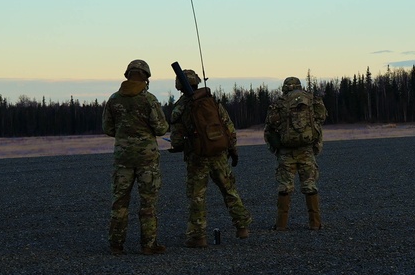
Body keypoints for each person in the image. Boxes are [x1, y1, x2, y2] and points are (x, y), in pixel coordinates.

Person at [169, 69, 253, 247]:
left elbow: (176, 140)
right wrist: (232, 149)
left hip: (197, 157)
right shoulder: (212, 102)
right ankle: (243, 228)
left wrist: (180, 146)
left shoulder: (180, 108)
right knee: (229, 190)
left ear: (179, 86)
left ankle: (198, 237)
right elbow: (228, 127)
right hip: (219, 154)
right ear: (197, 82)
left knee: (197, 197)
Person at [102, 59, 169, 255]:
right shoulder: (149, 99)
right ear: (146, 77)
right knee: (148, 202)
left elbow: (107, 128)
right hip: (147, 159)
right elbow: (161, 128)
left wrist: (125, 136)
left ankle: (116, 245)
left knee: (119, 201)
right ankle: (148, 244)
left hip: (123, 158)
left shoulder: (114, 99)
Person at [263, 76, 328, 230]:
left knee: (285, 187)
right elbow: (322, 117)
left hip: (286, 152)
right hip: (306, 149)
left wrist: (276, 146)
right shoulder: (311, 99)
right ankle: (315, 223)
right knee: (310, 185)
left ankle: (281, 225)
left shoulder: (279, 103)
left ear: (285, 87)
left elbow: (270, 125)